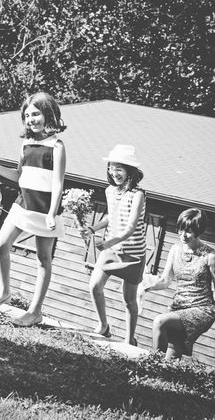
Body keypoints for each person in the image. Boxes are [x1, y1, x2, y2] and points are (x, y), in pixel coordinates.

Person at [0, 92, 66, 327]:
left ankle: (35, 311)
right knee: (1, 245)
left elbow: (59, 183)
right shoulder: (25, 144)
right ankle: (4, 292)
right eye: (27, 115)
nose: (31, 119)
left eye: (36, 114)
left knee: (43, 259)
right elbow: (18, 175)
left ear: (48, 113)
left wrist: (51, 213)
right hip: (22, 204)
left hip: (45, 208)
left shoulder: (57, 146)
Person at [83, 144, 145, 345]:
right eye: (112, 167)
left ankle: (129, 339)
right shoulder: (110, 191)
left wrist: (109, 241)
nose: (114, 172)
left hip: (133, 253)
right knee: (94, 286)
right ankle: (103, 326)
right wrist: (93, 229)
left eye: (119, 168)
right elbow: (112, 216)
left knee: (129, 300)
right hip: (111, 249)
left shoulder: (138, 194)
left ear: (130, 171)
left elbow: (130, 227)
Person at [144, 208, 215, 359]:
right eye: (181, 229)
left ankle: (151, 364)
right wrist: (144, 287)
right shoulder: (175, 250)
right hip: (179, 309)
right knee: (171, 360)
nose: (183, 235)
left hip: (202, 310)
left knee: (159, 321)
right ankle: (162, 373)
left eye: (188, 231)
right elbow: (165, 281)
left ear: (198, 231)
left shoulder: (210, 256)